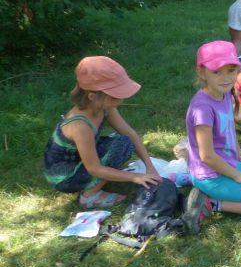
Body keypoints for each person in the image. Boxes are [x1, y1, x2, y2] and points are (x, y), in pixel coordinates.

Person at [182, 41, 241, 233]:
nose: (225, 78)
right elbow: (207, 156)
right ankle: (212, 203)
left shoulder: (226, 93)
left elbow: (228, 128)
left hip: (225, 162)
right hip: (210, 174)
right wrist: (237, 175)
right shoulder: (203, 108)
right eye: (216, 72)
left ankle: (212, 194)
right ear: (202, 73)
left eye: (230, 70)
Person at [43, 56, 161, 208]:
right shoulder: (80, 126)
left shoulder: (104, 107)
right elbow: (94, 168)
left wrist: (149, 166)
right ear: (92, 96)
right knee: (120, 146)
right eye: (115, 97)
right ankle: (90, 196)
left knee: (124, 142)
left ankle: (94, 184)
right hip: (65, 177)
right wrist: (136, 177)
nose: (121, 100)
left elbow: (129, 133)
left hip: (79, 162)